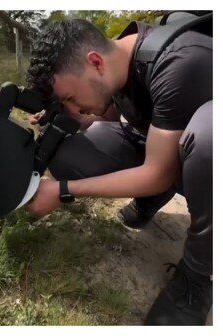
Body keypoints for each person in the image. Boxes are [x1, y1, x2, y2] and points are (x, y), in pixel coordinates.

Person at [23, 16, 212, 325]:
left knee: (209, 136)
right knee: (75, 152)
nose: (72, 106)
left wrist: (62, 190)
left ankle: (197, 276)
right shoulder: (118, 64)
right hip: (172, 146)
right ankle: (152, 197)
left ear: (95, 62)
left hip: (207, 153)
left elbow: (159, 171)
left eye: (70, 98)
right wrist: (68, 118)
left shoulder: (177, 62)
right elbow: (117, 116)